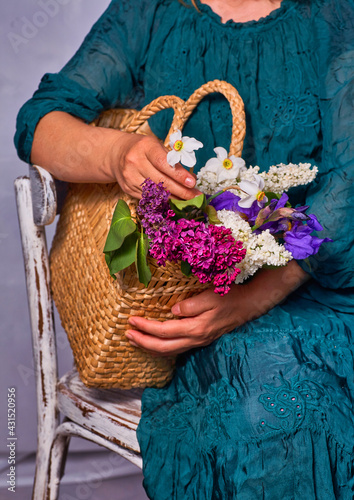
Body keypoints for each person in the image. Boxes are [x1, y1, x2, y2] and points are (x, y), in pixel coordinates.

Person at [15, 0, 354, 498]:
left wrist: (250, 299)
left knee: (294, 404)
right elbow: (41, 121)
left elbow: (349, 181)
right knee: (267, 405)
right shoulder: (150, 10)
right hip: (188, 296)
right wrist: (117, 155)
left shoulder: (335, 14)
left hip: (315, 283)